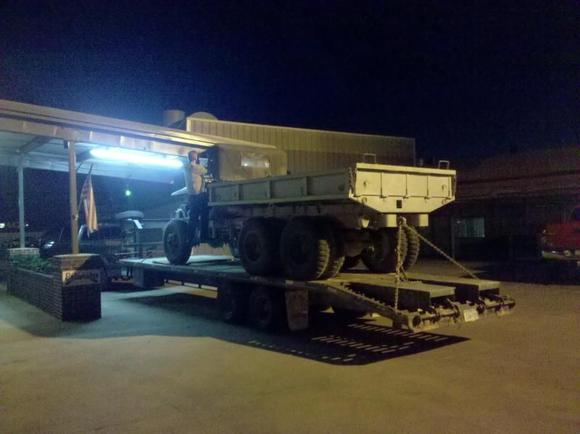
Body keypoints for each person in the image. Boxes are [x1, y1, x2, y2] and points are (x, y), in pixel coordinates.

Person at [185, 151, 209, 242]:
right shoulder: (195, 167)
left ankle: (190, 237)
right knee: (204, 215)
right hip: (198, 195)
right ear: (195, 157)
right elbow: (206, 171)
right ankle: (203, 236)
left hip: (191, 195)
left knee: (193, 217)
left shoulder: (185, 167)